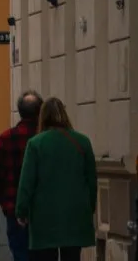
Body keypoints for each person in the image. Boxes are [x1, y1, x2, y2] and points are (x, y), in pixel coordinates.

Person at [16, 97, 98, 261]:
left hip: (44, 217)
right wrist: (89, 207)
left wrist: (22, 210)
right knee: (72, 256)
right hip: (75, 213)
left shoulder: (35, 144)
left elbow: (27, 182)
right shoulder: (82, 142)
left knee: (45, 256)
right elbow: (91, 180)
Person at [0, 90, 43, 261]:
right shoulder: (43, 138)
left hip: (13, 207)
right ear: (40, 111)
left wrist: (3, 199)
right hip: (42, 209)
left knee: (20, 253)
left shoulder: (6, 138)